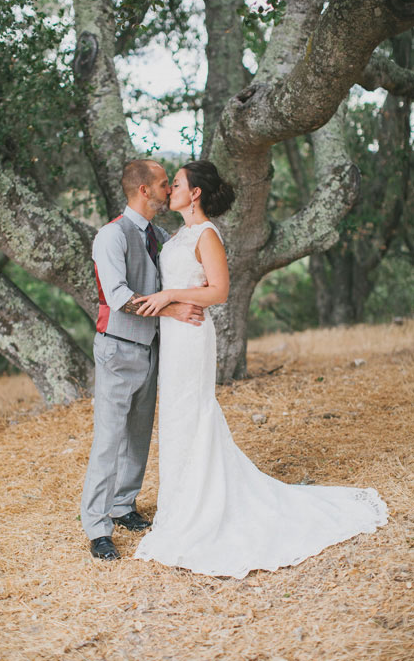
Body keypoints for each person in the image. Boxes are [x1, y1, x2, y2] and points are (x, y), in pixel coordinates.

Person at [133, 160, 388, 579]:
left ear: (194, 193)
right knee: (176, 418)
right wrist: (168, 302)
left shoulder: (207, 234)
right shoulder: (178, 234)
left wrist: (169, 294)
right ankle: (179, 506)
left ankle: (200, 509)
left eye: (175, 184)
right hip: (175, 334)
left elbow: (219, 290)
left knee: (191, 413)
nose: (169, 190)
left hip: (193, 337)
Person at [81, 159, 205, 561]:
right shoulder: (111, 236)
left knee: (138, 433)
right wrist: (172, 311)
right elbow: (118, 297)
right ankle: (97, 527)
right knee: (108, 439)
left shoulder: (159, 233)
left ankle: (123, 506)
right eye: (165, 184)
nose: (170, 190)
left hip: (152, 349)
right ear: (144, 191)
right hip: (117, 348)